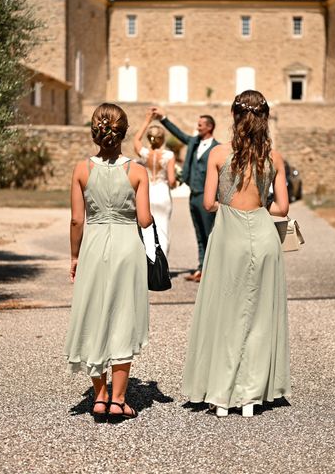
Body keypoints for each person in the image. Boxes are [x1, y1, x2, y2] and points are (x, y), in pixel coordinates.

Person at [181, 90, 291, 417]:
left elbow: (209, 202)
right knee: (258, 317)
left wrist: (231, 204)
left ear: (233, 116)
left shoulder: (217, 154)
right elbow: (282, 207)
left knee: (224, 315)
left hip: (229, 237)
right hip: (263, 236)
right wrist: (260, 205)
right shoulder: (275, 157)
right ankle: (251, 397)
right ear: (265, 118)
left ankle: (220, 396)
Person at [64, 103, 152, 423]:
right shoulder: (138, 171)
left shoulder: (81, 170)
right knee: (122, 315)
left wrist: (74, 256)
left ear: (95, 132)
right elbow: (144, 221)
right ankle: (119, 400)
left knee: (94, 313)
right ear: (124, 132)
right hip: (127, 244)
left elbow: (77, 221)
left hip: (94, 244)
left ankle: (99, 396)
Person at [151, 106, 219, 282]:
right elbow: (179, 133)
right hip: (194, 195)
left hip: (208, 196)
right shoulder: (194, 142)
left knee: (209, 233)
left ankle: (210, 270)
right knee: (198, 233)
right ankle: (201, 268)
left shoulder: (217, 148)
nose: (198, 127)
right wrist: (163, 118)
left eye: (201, 125)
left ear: (209, 127)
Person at [133, 109, 176, 260]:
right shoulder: (169, 156)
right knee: (163, 230)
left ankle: (148, 263)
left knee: (146, 229)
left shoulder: (144, 154)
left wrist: (147, 120)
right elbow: (171, 181)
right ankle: (161, 267)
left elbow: (136, 141)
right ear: (163, 139)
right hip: (162, 193)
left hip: (147, 193)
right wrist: (176, 182)